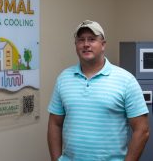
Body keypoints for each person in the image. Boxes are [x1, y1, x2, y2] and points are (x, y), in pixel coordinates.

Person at [47, 20, 149, 161]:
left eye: (92, 39)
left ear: (103, 45)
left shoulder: (126, 80)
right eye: (81, 40)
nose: (86, 44)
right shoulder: (63, 79)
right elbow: (54, 123)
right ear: (75, 45)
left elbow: (142, 131)